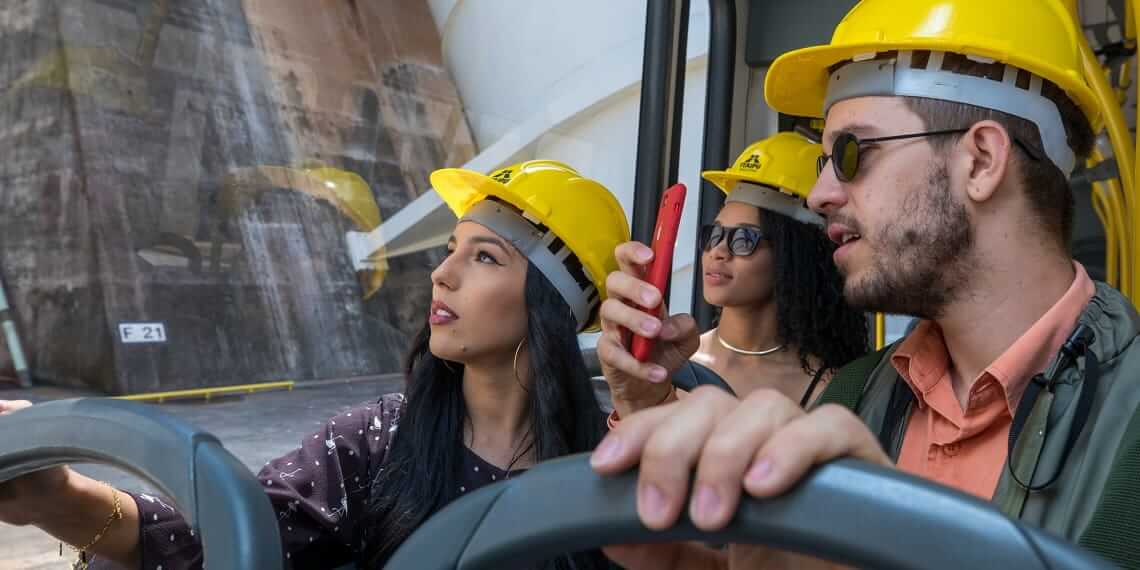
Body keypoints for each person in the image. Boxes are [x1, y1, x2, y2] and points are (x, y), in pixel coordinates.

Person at [590, 1, 1140, 568]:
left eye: (852, 155)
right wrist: (649, 416)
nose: (819, 193)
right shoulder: (857, 394)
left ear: (980, 161)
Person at [0, 160, 630, 569]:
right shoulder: (379, 443)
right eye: (449, 250)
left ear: (553, 305)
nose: (441, 274)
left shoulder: (615, 462)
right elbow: (228, 532)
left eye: (485, 258)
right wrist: (59, 498)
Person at [603, 132, 867, 427]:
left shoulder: (834, 389)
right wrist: (634, 403)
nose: (718, 250)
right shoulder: (666, 361)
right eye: (713, 234)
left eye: (744, 239)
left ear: (796, 257)